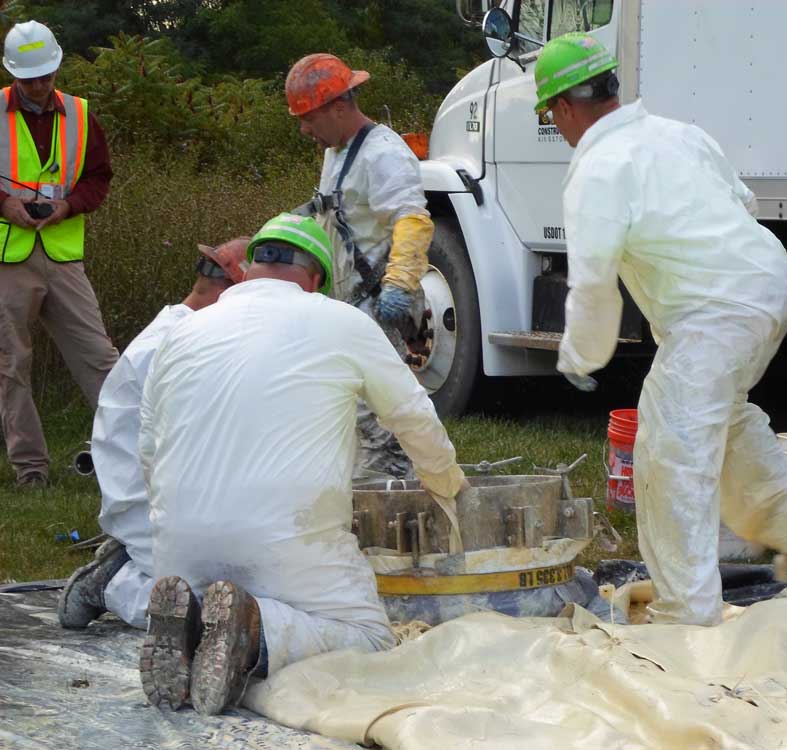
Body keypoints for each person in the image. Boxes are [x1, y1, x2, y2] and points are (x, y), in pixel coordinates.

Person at [533, 33, 787, 627]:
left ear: (564, 108)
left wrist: (580, 355)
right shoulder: (678, 134)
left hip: (717, 309)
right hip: (769, 279)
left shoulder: (598, 168)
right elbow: (737, 203)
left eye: (552, 115)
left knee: (670, 448)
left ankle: (686, 616)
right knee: (722, 415)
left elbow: (593, 282)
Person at [138, 213, 467, 715]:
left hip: (179, 551)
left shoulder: (182, 333)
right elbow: (414, 418)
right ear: (317, 281)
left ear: (248, 271)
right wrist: (451, 488)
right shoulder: (342, 322)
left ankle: (198, 622)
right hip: (283, 544)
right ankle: (257, 631)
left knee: (209, 590)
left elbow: (148, 449)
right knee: (371, 636)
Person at [56, 239, 249, 631]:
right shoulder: (173, 347)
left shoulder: (188, 331)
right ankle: (115, 582)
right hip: (149, 512)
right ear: (230, 292)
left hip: (172, 502)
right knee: (211, 619)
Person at [285, 52, 435, 479]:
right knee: (356, 412)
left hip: (383, 301)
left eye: (309, 118)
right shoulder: (338, 150)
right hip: (354, 305)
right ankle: (376, 498)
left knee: (383, 420)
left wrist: (400, 285)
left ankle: (398, 503)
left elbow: (412, 219)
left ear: (339, 107)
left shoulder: (383, 154)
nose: (304, 129)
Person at [0, 20, 118, 488]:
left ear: (56, 68)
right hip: (8, 258)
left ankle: (132, 451)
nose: (38, 85)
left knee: (99, 357)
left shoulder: (82, 114)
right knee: (11, 364)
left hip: (64, 255)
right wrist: (5, 205)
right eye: (29, 78)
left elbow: (99, 178)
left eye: (45, 76)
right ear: (13, 74)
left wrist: (69, 205)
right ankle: (31, 471)